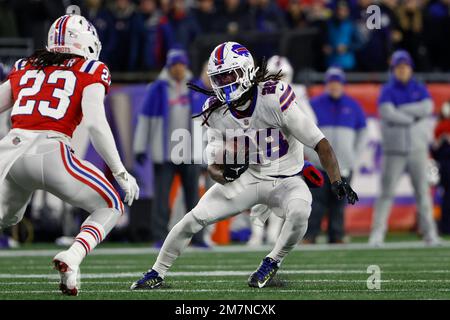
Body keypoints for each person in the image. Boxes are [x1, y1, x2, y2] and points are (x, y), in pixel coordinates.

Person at [130, 42, 358, 290]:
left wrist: (336, 180)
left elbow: (319, 142)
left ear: (247, 71)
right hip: (248, 178)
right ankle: (157, 271)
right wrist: (225, 174)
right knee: (192, 219)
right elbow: (214, 166)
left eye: (230, 74)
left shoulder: (274, 97)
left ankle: (272, 261)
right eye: (219, 77)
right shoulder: (215, 112)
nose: (225, 82)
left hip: (286, 179)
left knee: (301, 212)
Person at [0, 14, 139, 295]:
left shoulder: (24, 66)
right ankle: (73, 256)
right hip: (52, 150)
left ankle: (71, 273)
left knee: (8, 219)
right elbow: (96, 123)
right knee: (111, 204)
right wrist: (120, 171)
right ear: (86, 42)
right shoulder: (91, 68)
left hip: (11, 152)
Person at [133, 48, 206, 247]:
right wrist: (140, 146)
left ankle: (198, 237)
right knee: (162, 199)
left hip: (190, 151)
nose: (178, 68)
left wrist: (205, 153)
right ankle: (159, 236)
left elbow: (205, 122)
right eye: (174, 65)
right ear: (169, 66)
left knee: (194, 199)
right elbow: (145, 119)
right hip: (165, 151)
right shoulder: (157, 89)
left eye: (181, 64)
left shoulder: (196, 87)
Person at [247, 55, 322, 246]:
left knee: (281, 196)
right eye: (273, 75)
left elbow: (311, 123)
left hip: (286, 152)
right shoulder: (257, 92)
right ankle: (256, 235)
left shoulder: (295, 93)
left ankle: (272, 234)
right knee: (258, 194)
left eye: (282, 75)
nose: (278, 79)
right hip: (262, 148)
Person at [369, 50, 440, 246]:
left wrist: (401, 112)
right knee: (386, 193)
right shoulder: (387, 90)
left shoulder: (419, 88)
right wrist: (412, 118)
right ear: (394, 70)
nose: (402, 70)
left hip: (417, 148)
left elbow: (427, 108)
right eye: (399, 67)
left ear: (410, 69)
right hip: (394, 150)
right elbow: (386, 113)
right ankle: (377, 234)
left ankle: (430, 234)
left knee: (422, 193)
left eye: (405, 67)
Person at [304, 67, 367, 244]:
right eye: (331, 82)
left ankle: (336, 235)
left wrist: (353, 155)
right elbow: (302, 130)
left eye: (337, 82)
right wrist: (312, 154)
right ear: (326, 84)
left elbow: (363, 131)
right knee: (316, 202)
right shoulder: (314, 104)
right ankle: (310, 236)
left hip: (344, 165)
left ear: (342, 84)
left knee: (339, 203)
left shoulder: (353, 105)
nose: (334, 86)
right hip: (319, 164)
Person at [431, 101, 450, 234]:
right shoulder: (442, 126)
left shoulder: (439, 126)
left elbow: (434, 151)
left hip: (443, 164)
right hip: (445, 164)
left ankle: (445, 227)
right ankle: (445, 227)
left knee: (446, 197)